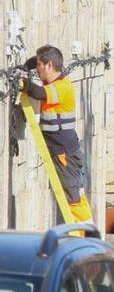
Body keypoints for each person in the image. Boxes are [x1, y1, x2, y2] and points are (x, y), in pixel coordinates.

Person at [20, 45, 91, 223]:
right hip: (62, 150)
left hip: (64, 153)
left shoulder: (61, 87)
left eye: (39, 65)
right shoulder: (53, 79)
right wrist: (25, 66)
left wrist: (22, 83)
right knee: (73, 192)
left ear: (49, 65)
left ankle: (84, 234)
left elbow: (37, 93)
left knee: (72, 195)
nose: (36, 68)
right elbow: (34, 66)